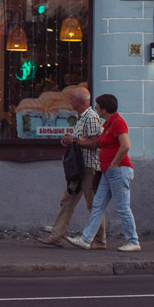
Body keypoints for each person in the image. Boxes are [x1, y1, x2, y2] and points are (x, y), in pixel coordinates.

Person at [67, 94, 140, 252]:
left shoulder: (118, 122)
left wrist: (114, 164)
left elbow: (125, 145)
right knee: (97, 205)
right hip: (109, 171)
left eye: (98, 107)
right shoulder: (108, 125)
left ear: (104, 109)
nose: (96, 109)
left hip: (118, 170)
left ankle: (133, 241)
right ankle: (86, 239)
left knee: (122, 207)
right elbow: (102, 144)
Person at [37, 87, 106, 249]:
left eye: (72, 99)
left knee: (93, 205)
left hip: (89, 167)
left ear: (79, 101)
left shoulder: (90, 117)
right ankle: (57, 236)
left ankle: (100, 240)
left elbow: (96, 143)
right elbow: (81, 140)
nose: (69, 101)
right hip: (79, 167)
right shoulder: (81, 117)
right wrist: (70, 141)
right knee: (67, 201)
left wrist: (73, 142)